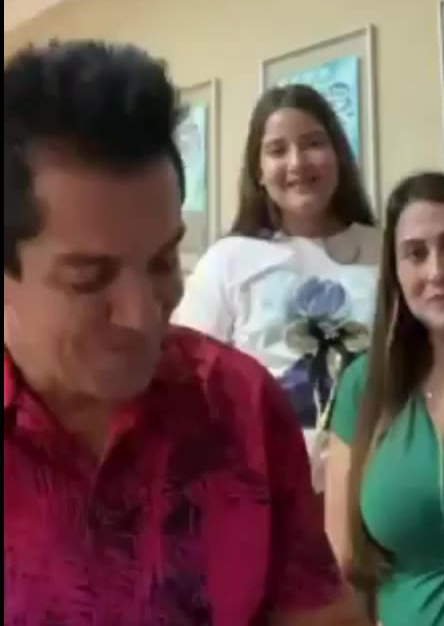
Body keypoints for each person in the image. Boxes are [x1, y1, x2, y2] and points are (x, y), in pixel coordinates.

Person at [4, 40, 367, 626]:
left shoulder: (243, 405)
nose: (142, 316)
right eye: (89, 280)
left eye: (162, 262)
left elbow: (319, 612)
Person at [175, 84, 381, 473]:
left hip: (376, 481)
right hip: (262, 483)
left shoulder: (384, 250)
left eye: (313, 143)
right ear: (259, 170)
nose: (297, 162)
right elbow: (184, 384)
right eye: (277, 150)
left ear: (338, 154)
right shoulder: (227, 261)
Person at [326, 172, 444, 626]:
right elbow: (343, 570)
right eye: (415, 253)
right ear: (395, 272)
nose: (437, 272)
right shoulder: (364, 386)